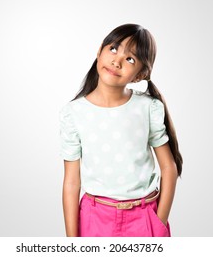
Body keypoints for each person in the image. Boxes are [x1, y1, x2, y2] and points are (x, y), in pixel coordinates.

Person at [59, 23, 183, 237]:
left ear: (139, 75)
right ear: (99, 51)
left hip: (144, 220)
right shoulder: (74, 113)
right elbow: (71, 182)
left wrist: (158, 223)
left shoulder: (147, 108)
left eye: (130, 59)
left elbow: (169, 167)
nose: (117, 61)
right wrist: (72, 240)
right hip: (94, 220)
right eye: (113, 48)